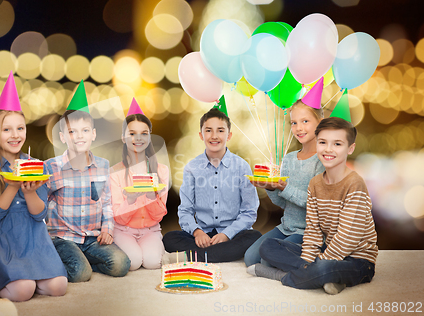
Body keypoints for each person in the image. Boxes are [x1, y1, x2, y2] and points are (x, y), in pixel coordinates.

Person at [248, 117, 378, 295]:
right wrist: (308, 260)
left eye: (337, 144)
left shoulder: (354, 183)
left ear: (350, 148)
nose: (328, 149)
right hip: (325, 251)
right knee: (268, 246)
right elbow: (313, 231)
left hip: (356, 258)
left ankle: (282, 276)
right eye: (323, 142)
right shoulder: (315, 183)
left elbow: (347, 238)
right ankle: (321, 276)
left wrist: (320, 263)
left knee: (325, 268)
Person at [0, 73, 67, 301]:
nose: (15, 135)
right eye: (6, 130)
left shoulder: (37, 166)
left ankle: (32, 275)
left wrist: (29, 191)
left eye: (20, 128)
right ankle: (3, 278)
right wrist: (13, 186)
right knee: (23, 291)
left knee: (59, 286)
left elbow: (40, 214)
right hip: (5, 241)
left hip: (34, 238)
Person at [45, 81, 130, 282]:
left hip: (92, 238)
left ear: (93, 134)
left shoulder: (102, 166)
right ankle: (59, 262)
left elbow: (107, 203)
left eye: (84, 131)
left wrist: (107, 229)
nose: (79, 136)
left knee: (121, 264)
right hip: (63, 237)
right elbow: (41, 204)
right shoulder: (52, 167)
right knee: (81, 274)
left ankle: (83, 259)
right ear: (63, 137)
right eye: (72, 131)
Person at [162, 100, 262, 263]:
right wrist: (197, 232)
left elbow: (249, 212)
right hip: (203, 234)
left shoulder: (242, 167)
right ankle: (219, 254)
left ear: (229, 135)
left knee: (254, 237)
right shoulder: (191, 168)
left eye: (220, 130)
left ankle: (193, 256)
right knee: (169, 238)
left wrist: (226, 234)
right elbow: (185, 210)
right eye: (208, 130)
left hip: (232, 234)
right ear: (201, 135)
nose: (214, 136)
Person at [244, 96, 325, 267]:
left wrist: (285, 187)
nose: (298, 128)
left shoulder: (323, 161)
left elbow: (317, 204)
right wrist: (270, 188)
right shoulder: (289, 159)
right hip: (285, 228)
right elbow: (283, 203)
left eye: (305, 121)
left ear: (320, 122)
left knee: (268, 260)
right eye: (294, 123)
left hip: (309, 233)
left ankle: (317, 262)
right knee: (250, 258)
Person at [110, 99, 169, 270]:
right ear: (123, 137)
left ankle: (159, 251)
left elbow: (159, 215)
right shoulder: (115, 173)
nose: (138, 138)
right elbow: (116, 216)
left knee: (152, 263)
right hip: (123, 230)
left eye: (144, 133)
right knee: (133, 263)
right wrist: (130, 201)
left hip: (150, 230)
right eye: (132, 133)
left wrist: (152, 197)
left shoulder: (161, 171)